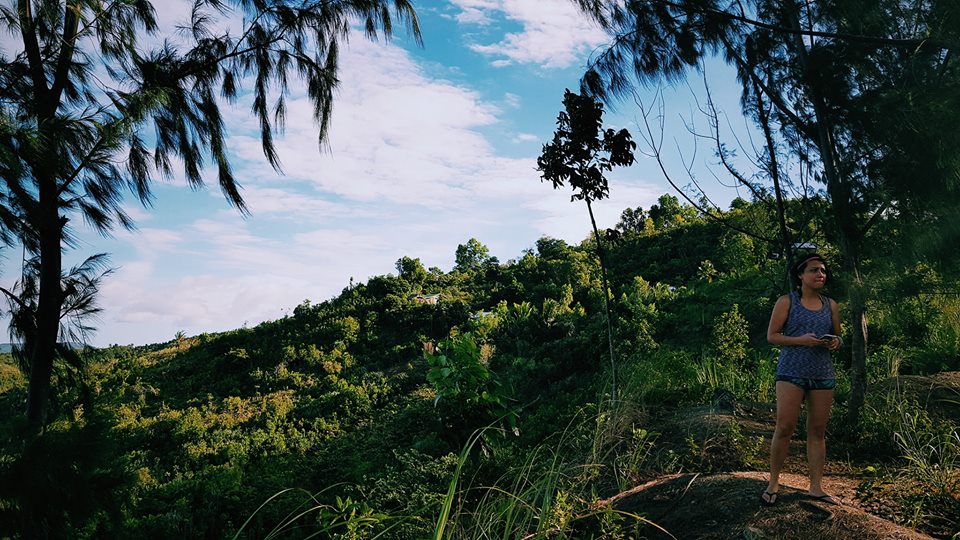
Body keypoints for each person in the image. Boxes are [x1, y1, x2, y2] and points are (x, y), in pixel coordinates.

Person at [761, 253, 842, 506]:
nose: (821, 274)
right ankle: (774, 482)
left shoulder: (831, 305)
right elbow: (772, 336)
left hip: (822, 373)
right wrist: (801, 341)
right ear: (800, 275)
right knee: (784, 428)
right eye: (814, 270)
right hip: (791, 372)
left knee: (817, 432)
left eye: (823, 271)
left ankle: (816, 487)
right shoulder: (787, 302)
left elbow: (839, 337)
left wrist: (835, 342)